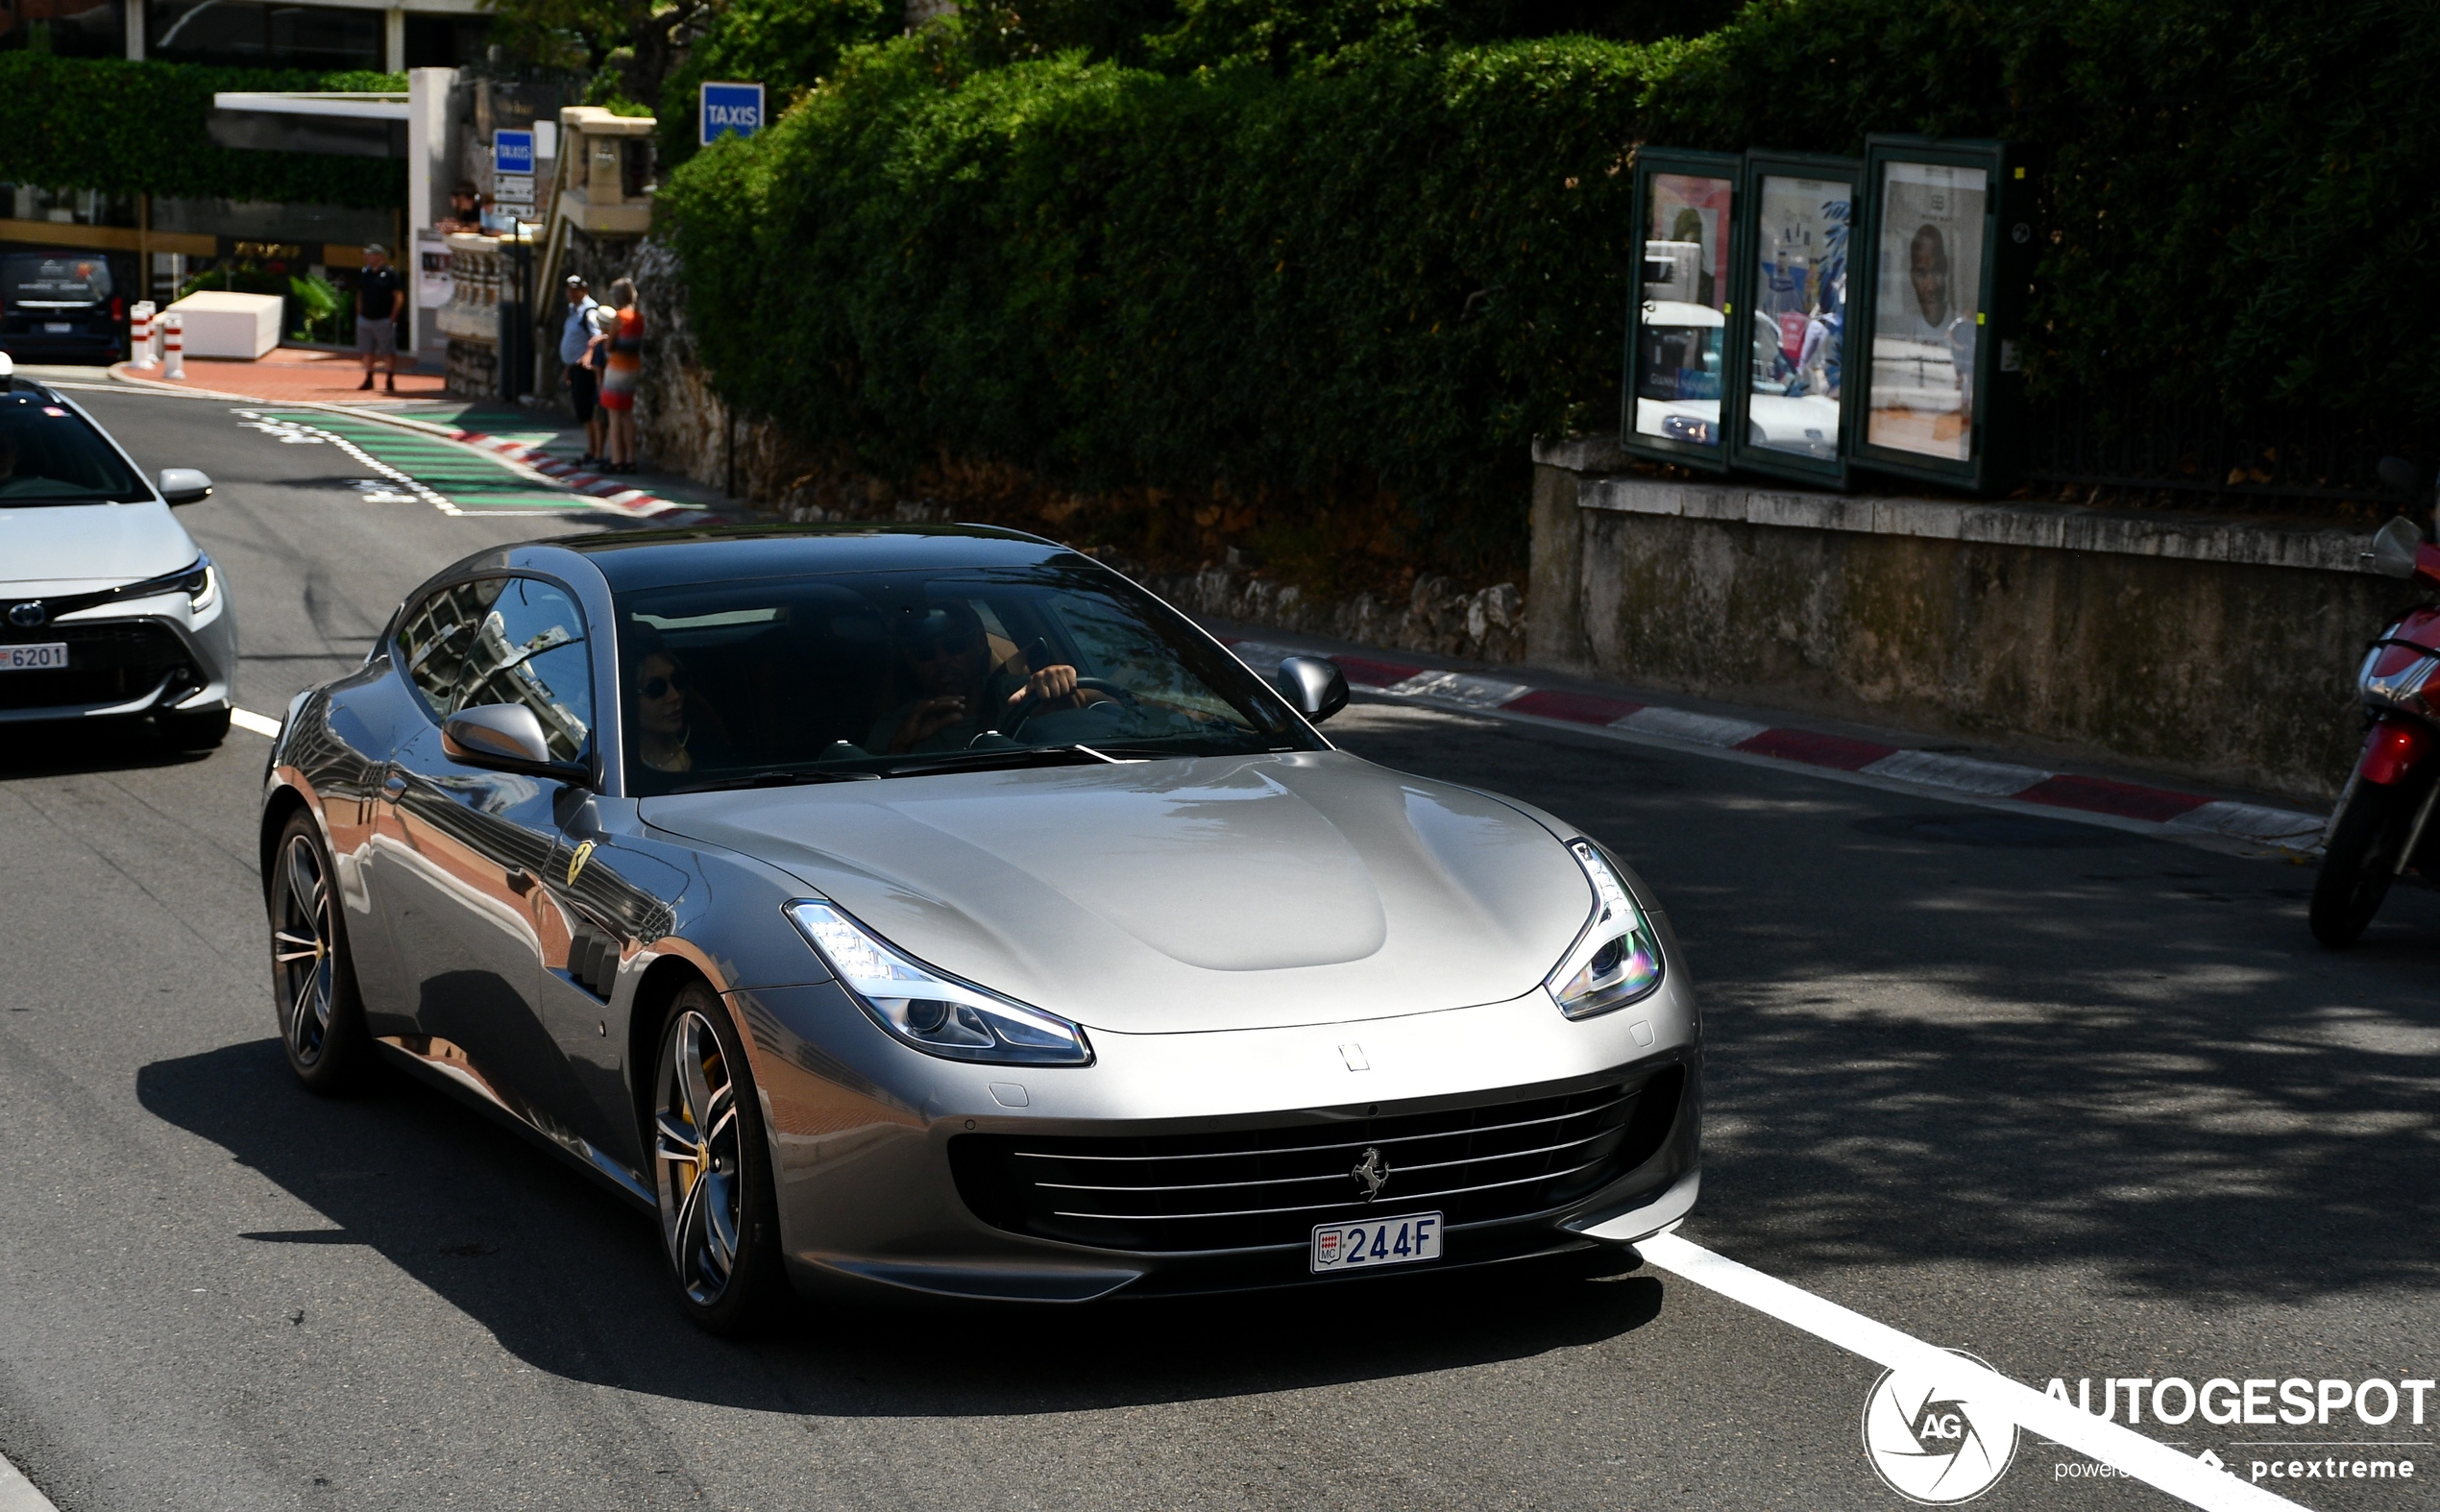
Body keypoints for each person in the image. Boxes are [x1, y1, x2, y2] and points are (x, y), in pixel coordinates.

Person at [865, 603, 1088, 755]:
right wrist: (902, 745)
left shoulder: (1018, 695)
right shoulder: (896, 727)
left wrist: (1061, 687)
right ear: (910, 661)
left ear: (981, 643)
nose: (941, 660)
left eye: (954, 646)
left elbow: (1094, 723)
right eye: (925, 653)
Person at [597, 277, 643, 471]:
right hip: (633, 367)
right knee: (627, 414)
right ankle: (631, 458)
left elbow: (609, 345)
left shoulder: (619, 317)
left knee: (614, 415)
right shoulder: (639, 318)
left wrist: (605, 339)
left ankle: (617, 460)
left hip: (617, 368)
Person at [559, 275, 602, 463]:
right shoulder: (572, 310)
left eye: (575, 290)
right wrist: (569, 365)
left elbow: (598, 336)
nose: (571, 293)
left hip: (586, 368)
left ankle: (597, 451)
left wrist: (588, 354)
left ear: (584, 290)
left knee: (590, 410)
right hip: (575, 367)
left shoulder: (589, 311)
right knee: (583, 411)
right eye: (569, 289)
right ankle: (591, 450)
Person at [354, 244, 403, 394]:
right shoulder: (365, 273)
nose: (367, 258)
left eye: (370, 255)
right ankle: (369, 377)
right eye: (366, 255)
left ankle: (389, 378)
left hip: (383, 319)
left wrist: (392, 317)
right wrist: (359, 314)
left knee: (387, 350)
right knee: (367, 350)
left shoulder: (390, 274)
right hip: (366, 318)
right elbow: (360, 295)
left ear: (379, 256)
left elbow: (399, 297)